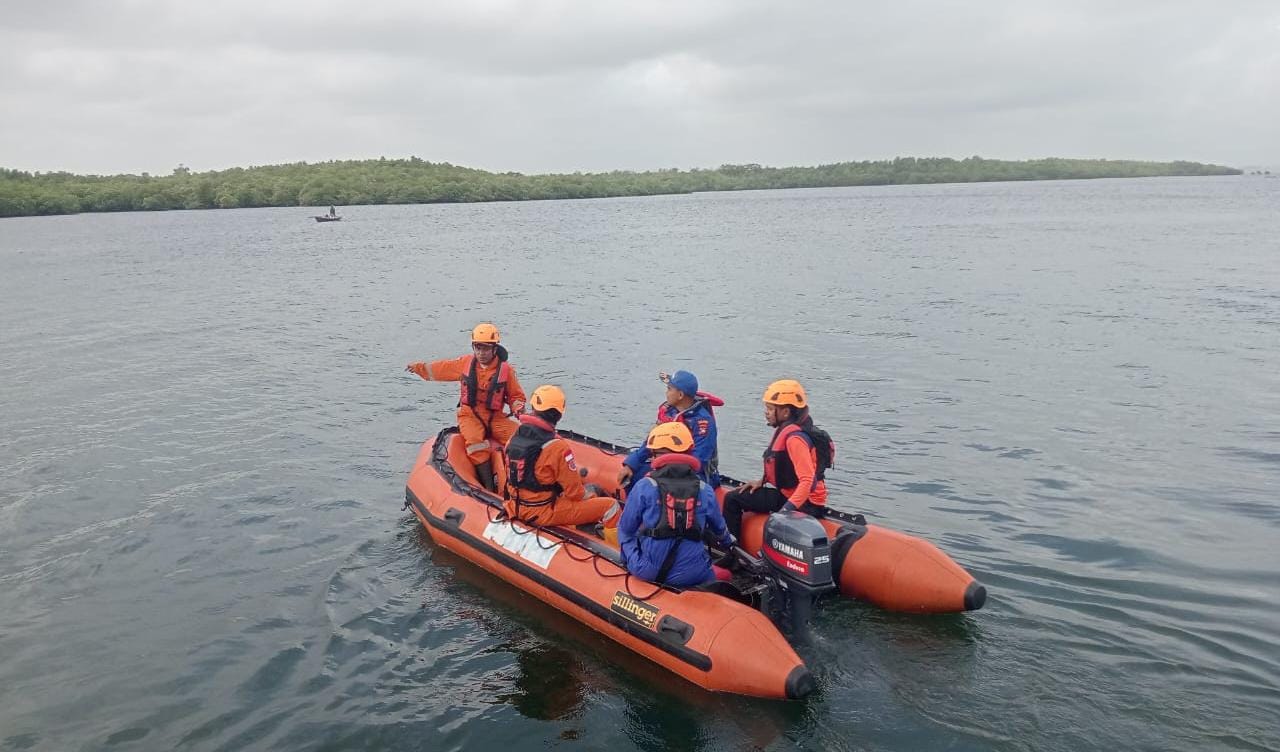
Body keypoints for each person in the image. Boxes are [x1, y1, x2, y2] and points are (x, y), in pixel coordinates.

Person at [406, 323, 526, 491]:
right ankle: (488, 488)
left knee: (523, 440)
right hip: (470, 415)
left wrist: (518, 407)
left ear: (494, 348)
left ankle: (520, 481)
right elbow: (441, 369)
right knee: (475, 444)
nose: (481, 353)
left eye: (485, 348)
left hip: (496, 417)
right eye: (477, 347)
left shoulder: (506, 371)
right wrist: (419, 368)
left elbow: (516, 396)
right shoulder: (465, 364)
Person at [617, 422, 735, 588]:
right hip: (694, 574)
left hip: (648, 571)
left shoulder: (645, 487)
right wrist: (730, 545)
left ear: (656, 454)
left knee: (627, 534)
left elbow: (625, 529)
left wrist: (628, 554)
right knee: (722, 574)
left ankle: (623, 564)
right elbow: (720, 530)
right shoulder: (705, 490)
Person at [721, 379, 834, 539]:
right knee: (736, 496)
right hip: (792, 495)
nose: (766, 412)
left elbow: (807, 481)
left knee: (732, 500)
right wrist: (762, 481)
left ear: (785, 412)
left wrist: (785, 511)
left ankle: (731, 551)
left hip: (806, 504)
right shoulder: (788, 430)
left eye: (770, 408)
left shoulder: (795, 439)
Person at [503, 385, 617, 527]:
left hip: (514, 506)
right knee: (611, 506)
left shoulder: (515, 437)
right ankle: (612, 547)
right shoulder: (557, 447)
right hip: (543, 512)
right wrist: (591, 496)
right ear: (560, 414)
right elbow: (575, 493)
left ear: (534, 408)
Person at [619, 370, 721, 493]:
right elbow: (652, 442)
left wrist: (665, 472)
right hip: (667, 465)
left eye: (669, 389)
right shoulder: (669, 413)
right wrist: (631, 464)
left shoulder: (702, 423)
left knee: (663, 486)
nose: (666, 393)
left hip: (695, 473)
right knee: (633, 478)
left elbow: (699, 460)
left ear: (680, 395)